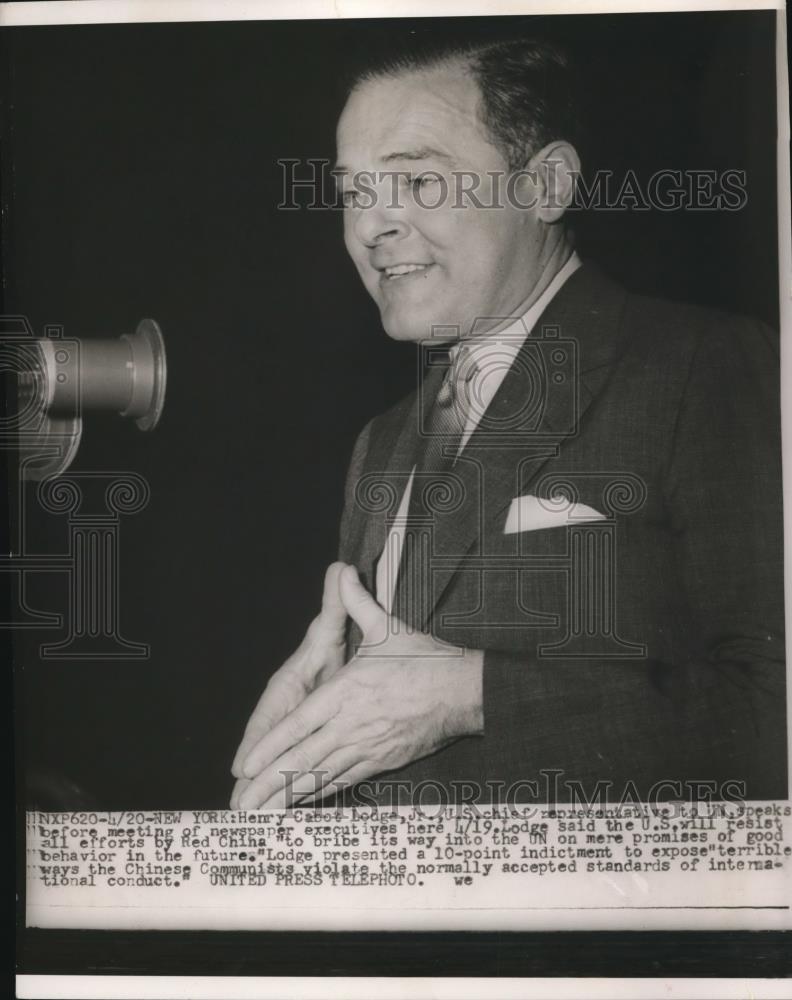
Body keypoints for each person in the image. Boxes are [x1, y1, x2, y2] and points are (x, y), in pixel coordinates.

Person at [230, 37, 786, 809]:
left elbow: (773, 715)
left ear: (545, 185)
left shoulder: (710, 367)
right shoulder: (381, 443)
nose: (370, 228)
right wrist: (307, 746)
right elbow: (398, 735)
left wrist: (471, 695)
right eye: (354, 192)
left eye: (418, 181)